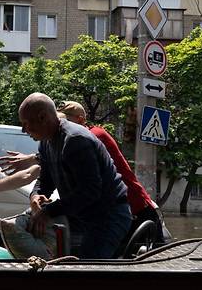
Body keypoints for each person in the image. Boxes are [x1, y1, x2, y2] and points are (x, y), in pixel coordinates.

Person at [20, 93, 131, 259]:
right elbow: (45, 181)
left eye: (26, 124)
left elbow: (90, 191)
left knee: (87, 269)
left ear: (43, 117)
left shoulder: (75, 140)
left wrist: (48, 211)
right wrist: (35, 196)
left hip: (109, 215)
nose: (23, 130)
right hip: (85, 217)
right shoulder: (46, 142)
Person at [57, 100, 171, 244]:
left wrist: (36, 159)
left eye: (66, 120)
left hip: (135, 208)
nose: (61, 125)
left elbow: (65, 158)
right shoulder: (74, 138)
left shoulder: (92, 135)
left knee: (145, 261)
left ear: (80, 119)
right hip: (119, 209)